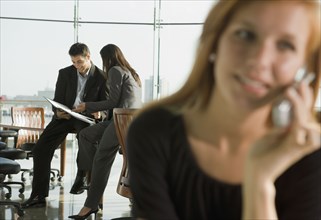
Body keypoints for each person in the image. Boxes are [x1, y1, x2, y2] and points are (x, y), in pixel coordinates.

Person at [126, 0, 321, 219]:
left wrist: (260, 185)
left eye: (285, 45)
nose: (259, 60)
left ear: (305, 70)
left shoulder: (307, 153)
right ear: (214, 42)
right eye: (246, 35)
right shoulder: (154, 132)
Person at [21, 42, 108, 208]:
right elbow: (58, 99)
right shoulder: (64, 73)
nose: (77, 66)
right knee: (40, 149)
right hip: (66, 116)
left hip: (85, 118)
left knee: (87, 140)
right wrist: (57, 112)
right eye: (73, 62)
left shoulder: (102, 77)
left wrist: (100, 113)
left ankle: (82, 176)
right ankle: (38, 195)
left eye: (80, 62)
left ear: (88, 57)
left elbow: (106, 106)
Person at [68, 44, 142, 219]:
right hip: (126, 120)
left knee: (102, 159)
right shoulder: (131, 72)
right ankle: (92, 168)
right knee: (85, 135)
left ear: (106, 58)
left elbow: (112, 101)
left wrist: (87, 105)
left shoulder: (116, 70)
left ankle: (90, 205)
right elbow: (120, 101)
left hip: (121, 120)